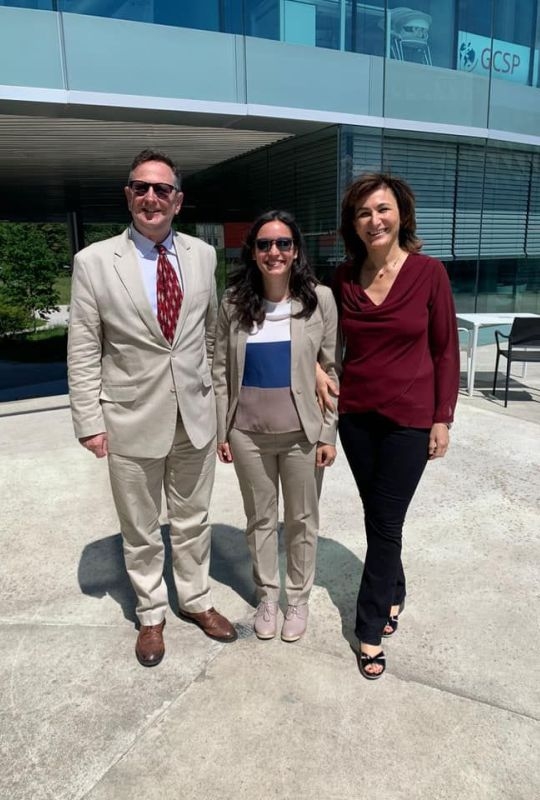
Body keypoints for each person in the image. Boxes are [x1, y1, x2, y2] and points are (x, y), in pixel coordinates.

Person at [68, 148, 237, 668]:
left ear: (178, 200)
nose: (150, 197)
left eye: (161, 189)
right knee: (141, 527)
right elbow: (84, 347)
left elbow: (212, 335)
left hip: (195, 417)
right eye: (141, 187)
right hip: (130, 418)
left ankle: (195, 599)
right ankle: (150, 614)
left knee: (192, 519)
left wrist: (216, 402)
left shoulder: (203, 257)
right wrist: (89, 421)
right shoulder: (94, 262)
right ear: (128, 196)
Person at [318, 173, 459, 679]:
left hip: (410, 420)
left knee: (385, 522)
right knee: (378, 516)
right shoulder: (341, 279)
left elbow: (445, 349)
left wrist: (443, 417)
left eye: (382, 210)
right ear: (352, 224)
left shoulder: (429, 273)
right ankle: (395, 590)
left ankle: (370, 627)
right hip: (357, 416)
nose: (374, 220)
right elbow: (319, 333)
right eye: (362, 213)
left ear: (400, 214)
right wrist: (316, 365)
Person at [212, 210, 340, 642]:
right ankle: (268, 596)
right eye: (264, 244)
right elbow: (219, 369)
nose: (274, 252)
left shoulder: (319, 299)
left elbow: (330, 369)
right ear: (252, 251)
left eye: (283, 243)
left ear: (296, 250)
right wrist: (221, 430)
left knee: (302, 520)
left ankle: (298, 600)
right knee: (260, 520)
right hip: (247, 432)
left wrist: (328, 432)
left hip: (303, 433)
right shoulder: (232, 302)